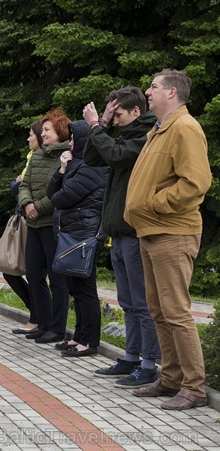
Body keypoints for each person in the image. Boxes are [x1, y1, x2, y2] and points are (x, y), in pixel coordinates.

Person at [125, 69, 212, 410]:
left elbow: (195, 183)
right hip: (151, 231)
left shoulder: (185, 128)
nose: (147, 91)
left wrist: (155, 204)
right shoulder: (159, 130)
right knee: (159, 310)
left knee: (176, 312)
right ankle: (172, 378)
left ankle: (195, 388)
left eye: (154, 86)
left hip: (173, 231)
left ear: (172, 92)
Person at [83, 87, 161, 386]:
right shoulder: (124, 134)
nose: (114, 120)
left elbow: (114, 156)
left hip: (135, 231)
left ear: (136, 112)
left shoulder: (146, 136)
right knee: (127, 302)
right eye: (111, 116)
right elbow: (92, 157)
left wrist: (94, 126)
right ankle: (131, 357)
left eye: (117, 114)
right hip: (118, 231)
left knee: (142, 303)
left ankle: (149, 363)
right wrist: (100, 123)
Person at [47, 121, 108, 357]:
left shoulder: (92, 167)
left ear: (84, 141)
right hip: (74, 235)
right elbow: (53, 193)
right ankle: (80, 336)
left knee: (85, 290)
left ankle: (90, 341)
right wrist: (62, 169)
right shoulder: (78, 166)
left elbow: (61, 198)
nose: (69, 143)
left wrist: (65, 171)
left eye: (73, 139)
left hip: (84, 237)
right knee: (76, 288)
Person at [18, 109, 71, 344]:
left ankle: (58, 328)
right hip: (33, 223)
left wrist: (37, 207)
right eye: (43, 130)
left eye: (47, 130)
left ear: (59, 132)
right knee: (33, 273)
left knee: (56, 277)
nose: (43, 133)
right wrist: (27, 203)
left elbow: (60, 191)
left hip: (51, 224)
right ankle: (43, 322)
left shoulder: (68, 157)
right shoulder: (37, 156)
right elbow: (24, 184)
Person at [7, 121, 42, 335]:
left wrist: (19, 184)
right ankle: (36, 314)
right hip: (21, 219)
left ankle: (37, 317)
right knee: (10, 270)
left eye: (31, 135)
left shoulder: (41, 159)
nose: (28, 139)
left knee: (33, 272)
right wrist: (18, 184)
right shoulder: (31, 158)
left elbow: (23, 186)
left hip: (32, 222)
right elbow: (16, 187)